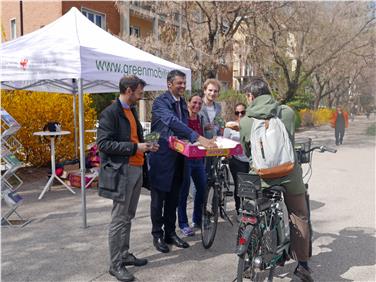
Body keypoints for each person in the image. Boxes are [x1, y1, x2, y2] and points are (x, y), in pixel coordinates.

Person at [239, 77, 313, 282]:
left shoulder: (245, 121)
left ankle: (247, 259)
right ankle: (303, 265)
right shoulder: (287, 113)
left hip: (261, 177)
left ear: (250, 96)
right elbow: (291, 138)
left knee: (250, 212)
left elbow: (247, 152)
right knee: (299, 215)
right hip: (289, 175)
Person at [97, 75, 159, 282]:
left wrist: (147, 146)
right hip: (122, 172)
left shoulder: (130, 110)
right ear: (129, 90)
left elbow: (134, 139)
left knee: (128, 216)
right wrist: (135, 148)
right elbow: (104, 145)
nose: (142, 96)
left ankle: (124, 255)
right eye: (140, 92)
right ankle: (115, 265)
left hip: (136, 169)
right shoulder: (110, 113)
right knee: (119, 219)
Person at [149, 70, 216, 253]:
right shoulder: (160, 102)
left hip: (179, 158)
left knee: (174, 197)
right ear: (169, 84)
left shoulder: (181, 104)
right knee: (158, 200)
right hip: (161, 159)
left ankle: (170, 232)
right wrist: (197, 137)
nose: (183, 86)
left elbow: (182, 128)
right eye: (179, 83)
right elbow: (172, 122)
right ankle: (157, 234)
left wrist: (193, 141)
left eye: (184, 83)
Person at [178, 94, 207, 236]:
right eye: (194, 102)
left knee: (202, 188)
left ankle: (197, 219)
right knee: (183, 192)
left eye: (200, 103)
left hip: (199, 159)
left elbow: (202, 137)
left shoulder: (200, 118)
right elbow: (179, 137)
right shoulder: (183, 118)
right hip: (186, 159)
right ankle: (183, 223)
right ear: (188, 103)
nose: (197, 105)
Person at [223, 103, 250, 216]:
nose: (240, 115)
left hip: (251, 160)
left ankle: (250, 209)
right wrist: (228, 154)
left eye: (242, 112)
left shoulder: (250, 125)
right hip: (236, 160)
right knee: (240, 185)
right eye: (237, 113)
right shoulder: (229, 128)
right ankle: (239, 209)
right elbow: (225, 143)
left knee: (251, 186)